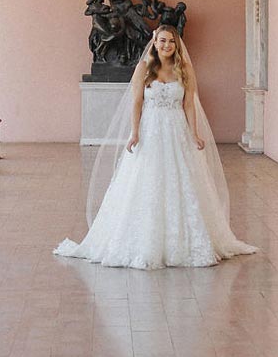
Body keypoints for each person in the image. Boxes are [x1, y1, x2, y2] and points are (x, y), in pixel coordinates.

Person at [56, 25, 257, 269]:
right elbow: (137, 102)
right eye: (162, 41)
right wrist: (135, 133)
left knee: (180, 181)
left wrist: (194, 133)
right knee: (147, 181)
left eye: (171, 41)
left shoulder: (184, 69)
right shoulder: (143, 69)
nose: (166, 46)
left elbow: (190, 104)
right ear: (155, 42)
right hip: (150, 131)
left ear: (177, 45)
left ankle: (184, 241)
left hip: (176, 131)